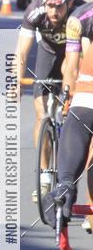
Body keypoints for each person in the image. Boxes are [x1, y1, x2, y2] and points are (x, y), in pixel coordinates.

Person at [16, 0, 84, 202]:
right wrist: (16, 81)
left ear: (70, 2)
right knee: (41, 113)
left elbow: (76, 62)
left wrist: (72, 90)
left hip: (73, 55)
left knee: (68, 68)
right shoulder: (35, 11)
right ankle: (45, 175)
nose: (53, 12)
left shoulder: (80, 13)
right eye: (50, 5)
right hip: (47, 55)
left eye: (59, 6)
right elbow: (22, 52)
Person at [50, 37, 93, 229]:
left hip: (84, 97)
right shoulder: (79, 19)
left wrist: (67, 103)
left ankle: (64, 188)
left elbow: (72, 67)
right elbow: (70, 66)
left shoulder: (81, 17)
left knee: (78, 121)